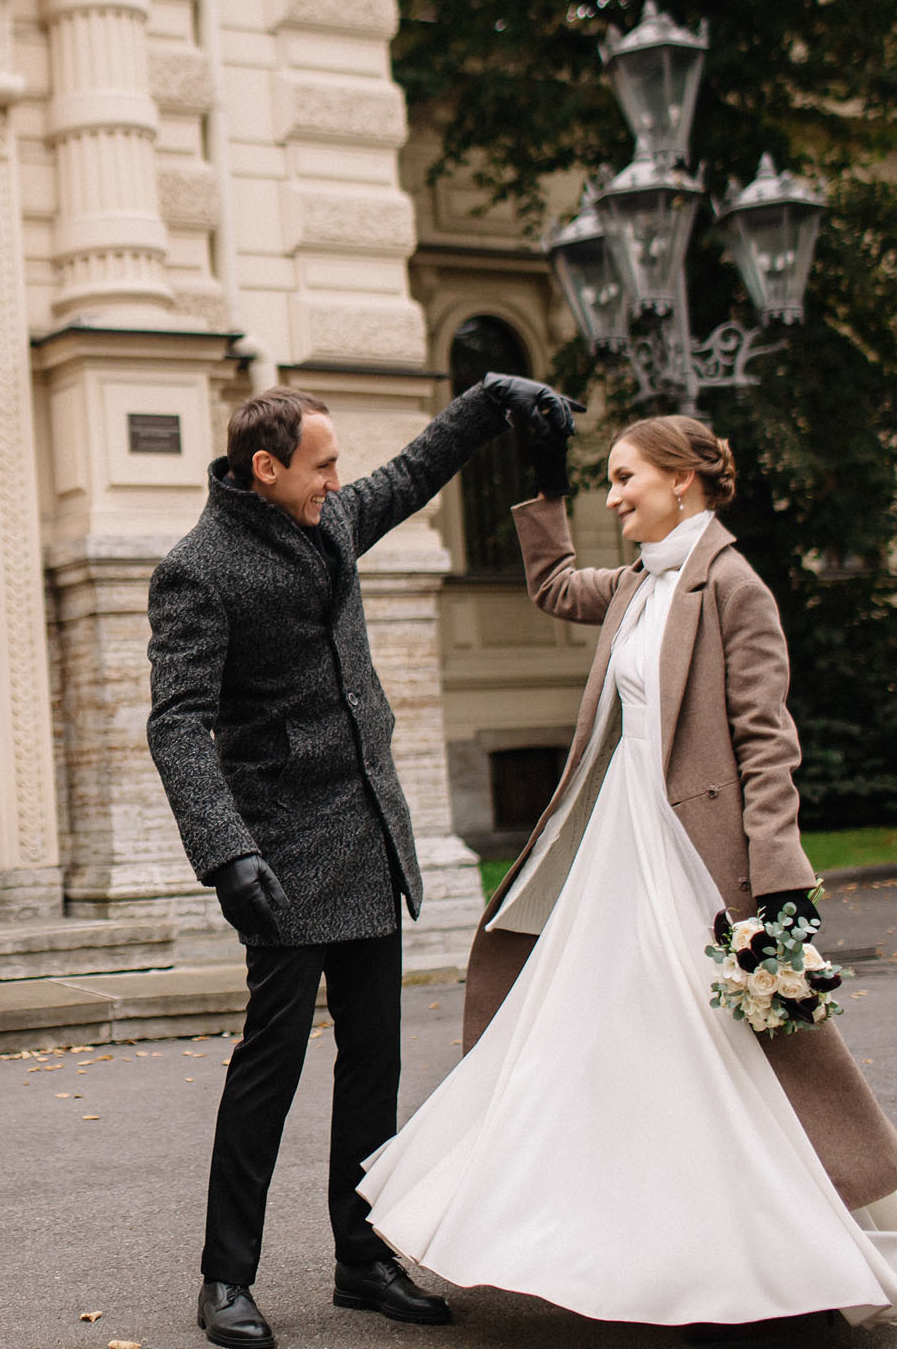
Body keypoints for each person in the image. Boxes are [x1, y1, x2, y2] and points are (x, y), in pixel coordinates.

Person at [359, 414, 897, 1335]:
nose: (613, 495)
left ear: (683, 480)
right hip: (618, 853)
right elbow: (548, 583)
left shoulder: (732, 586)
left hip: (698, 866)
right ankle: (641, 1251)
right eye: (608, 480)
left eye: (626, 478)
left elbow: (766, 744)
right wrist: (542, 484)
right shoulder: (633, 585)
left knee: (728, 1056)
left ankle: (796, 1259)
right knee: (618, 1053)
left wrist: (778, 874)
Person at [147, 374, 579, 1349]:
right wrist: (226, 854)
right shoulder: (199, 569)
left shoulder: (333, 520)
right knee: (272, 1066)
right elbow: (176, 724)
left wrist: (488, 401)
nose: (339, 480)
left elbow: (416, 472)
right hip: (281, 855)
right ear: (267, 469)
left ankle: (363, 1255)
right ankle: (225, 1277)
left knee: (373, 1061)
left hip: (367, 829)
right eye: (322, 464)